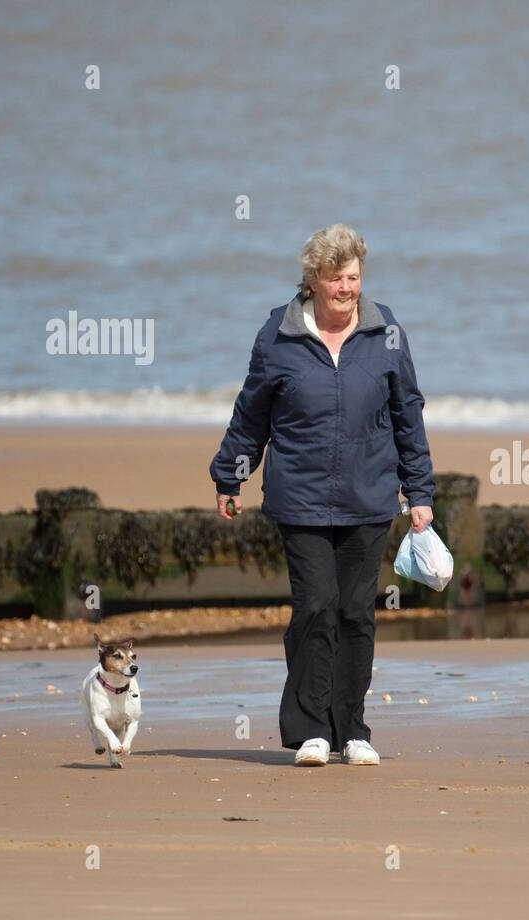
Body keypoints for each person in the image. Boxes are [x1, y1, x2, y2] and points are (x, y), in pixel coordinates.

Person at [209, 224, 435, 766]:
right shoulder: (278, 335)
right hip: (301, 497)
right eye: (336, 279)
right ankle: (311, 730)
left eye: (353, 277)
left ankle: (353, 729)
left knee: (356, 611)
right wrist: (230, 476)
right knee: (315, 607)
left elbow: (408, 412)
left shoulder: (387, 333)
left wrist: (420, 488)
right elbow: (252, 412)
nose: (347, 288)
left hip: (369, 497)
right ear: (312, 281)